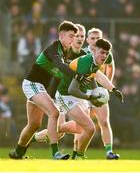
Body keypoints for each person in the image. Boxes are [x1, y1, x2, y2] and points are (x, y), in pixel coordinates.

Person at [30, 38, 123, 159]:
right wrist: (91, 97)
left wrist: (109, 90)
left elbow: (94, 76)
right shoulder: (85, 63)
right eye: (102, 52)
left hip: (78, 96)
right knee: (90, 128)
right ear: (94, 50)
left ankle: (41, 136)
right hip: (66, 95)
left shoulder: (95, 62)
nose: (104, 55)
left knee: (79, 129)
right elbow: (72, 89)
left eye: (106, 53)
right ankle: (79, 155)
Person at [9, 20, 89, 160]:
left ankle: (18, 153)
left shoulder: (67, 51)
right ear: (61, 35)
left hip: (40, 88)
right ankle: (55, 153)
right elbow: (61, 66)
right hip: (32, 84)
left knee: (34, 125)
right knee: (54, 113)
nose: (73, 39)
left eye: (75, 36)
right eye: (71, 36)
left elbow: (72, 64)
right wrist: (78, 76)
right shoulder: (54, 49)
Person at [83, 27, 119, 159]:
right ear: (87, 40)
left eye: (98, 38)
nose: (95, 40)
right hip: (83, 91)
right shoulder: (83, 52)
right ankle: (77, 152)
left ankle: (109, 152)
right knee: (82, 125)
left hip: (98, 91)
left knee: (104, 121)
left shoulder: (106, 53)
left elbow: (111, 66)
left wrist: (107, 85)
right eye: (92, 38)